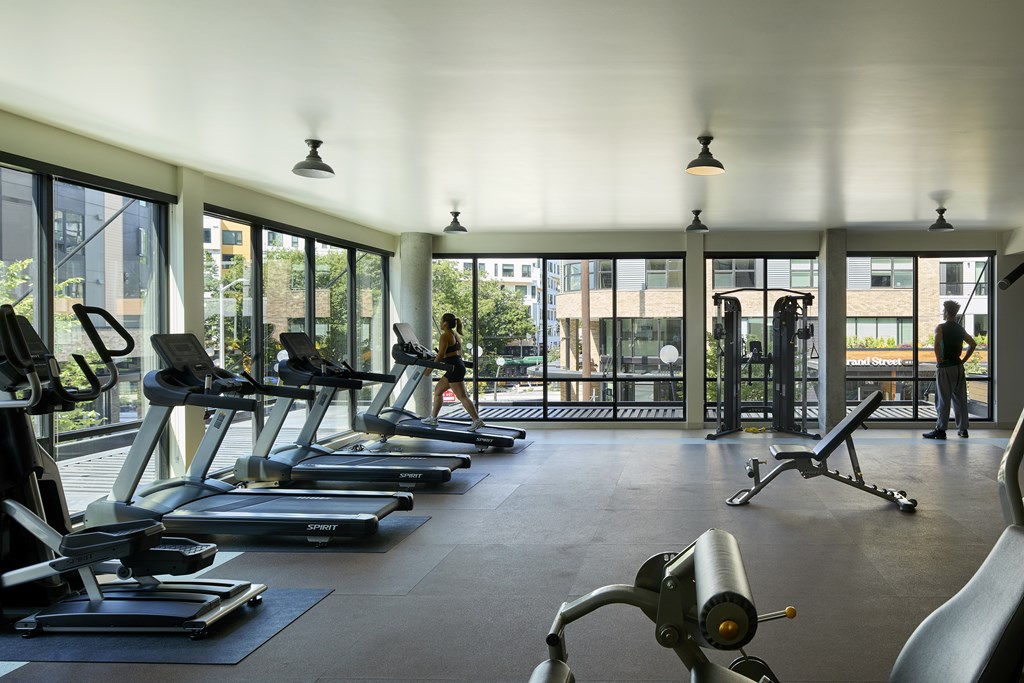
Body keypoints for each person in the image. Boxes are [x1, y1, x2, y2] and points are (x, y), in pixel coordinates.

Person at [421, 313, 486, 432]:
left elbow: (441, 355)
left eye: (441, 320)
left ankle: (477, 421)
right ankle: (433, 418)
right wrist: (444, 356)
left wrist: (429, 369)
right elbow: (451, 353)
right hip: (455, 365)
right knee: (438, 391)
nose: (440, 323)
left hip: (454, 368)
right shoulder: (454, 334)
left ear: (445, 323)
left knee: (462, 396)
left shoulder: (445, 336)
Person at [923, 300, 977, 440]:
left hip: (946, 367)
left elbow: (936, 344)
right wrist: (964, 360)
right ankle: (963, 429)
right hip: (958, 367)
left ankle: (941, 430)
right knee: (960, 399)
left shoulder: (940, 328)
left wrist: (939, 359)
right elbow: (972, 344)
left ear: (946, 312)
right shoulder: (960, 329)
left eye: (943, 310)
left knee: (943, 399)